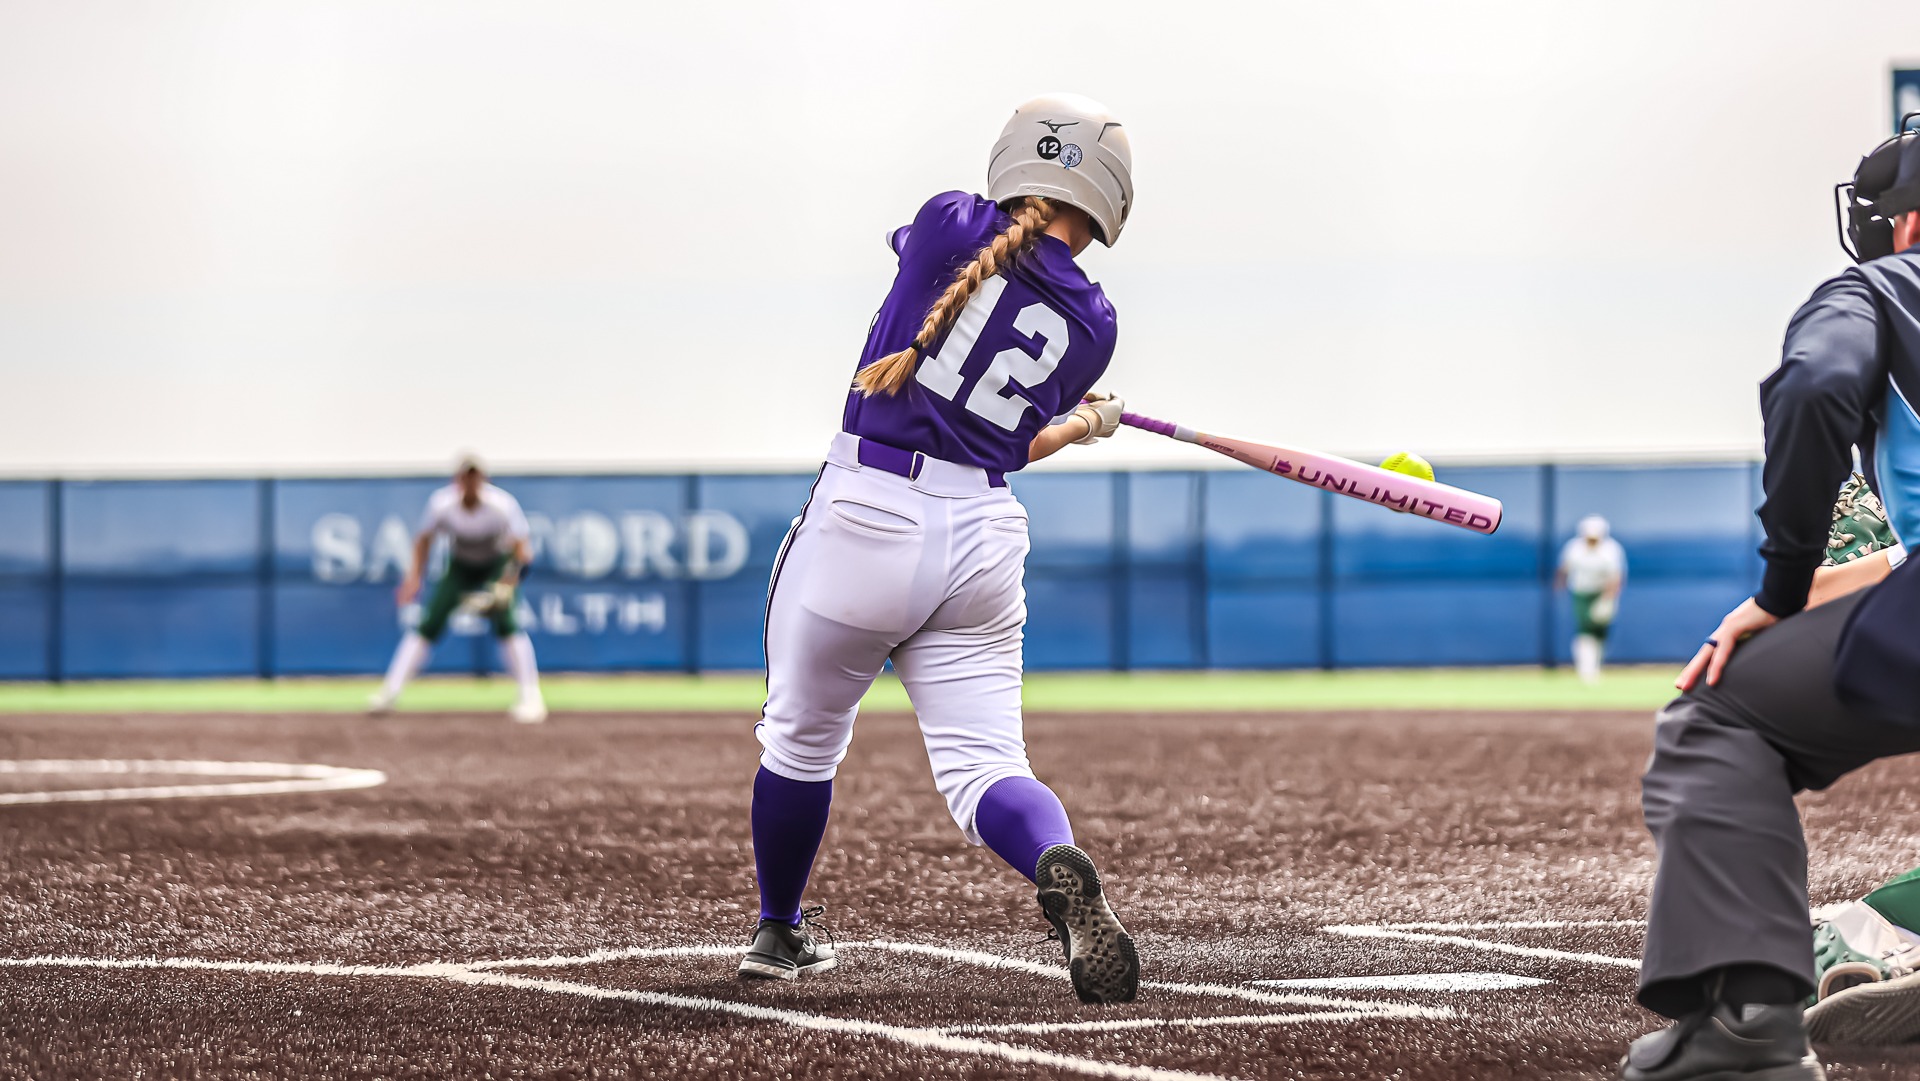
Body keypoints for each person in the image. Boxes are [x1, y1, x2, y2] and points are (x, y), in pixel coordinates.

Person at [737, 93, 1139, 1005]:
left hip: (867, 514)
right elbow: (1011, 443)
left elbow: (941, 275)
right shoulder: (1098, 325)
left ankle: (779, 927)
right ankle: (1050, 856)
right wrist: (1085, 420)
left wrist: (1076, 418)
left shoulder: (947, 219)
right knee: (989, 763)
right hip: (982, 539)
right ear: (1110, 199)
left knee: (800, 740)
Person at [1618, 122, 1920, 1081]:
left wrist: (1781, 587)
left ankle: (1745, 1025)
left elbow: (1817, 384)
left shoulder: (1880, 288)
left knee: (1720, 714)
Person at [367, 457, 547, 724]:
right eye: (466, 478)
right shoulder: (442, 505)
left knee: (508, 625)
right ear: (458, 481)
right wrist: (414, 578)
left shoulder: (502, 505)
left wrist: (506, 585)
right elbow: (423, 541)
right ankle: (389, 692)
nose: (471, 484)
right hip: (460, 567)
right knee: (429, 624)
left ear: (483, 481)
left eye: (475, 478)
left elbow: (523, 551)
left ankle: (531, 697)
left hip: (495, 565)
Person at [1555, 515, 1626, 682]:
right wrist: (1559, 586)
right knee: (1584, 629)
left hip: (1602, 593)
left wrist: (1608, 599)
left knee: (1600, 633)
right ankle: (1586, 670)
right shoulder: (1574, 548)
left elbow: (1616, 577)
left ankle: (1596, 665)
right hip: (1581, 592)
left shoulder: (1611, 550)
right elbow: (1564, 568)